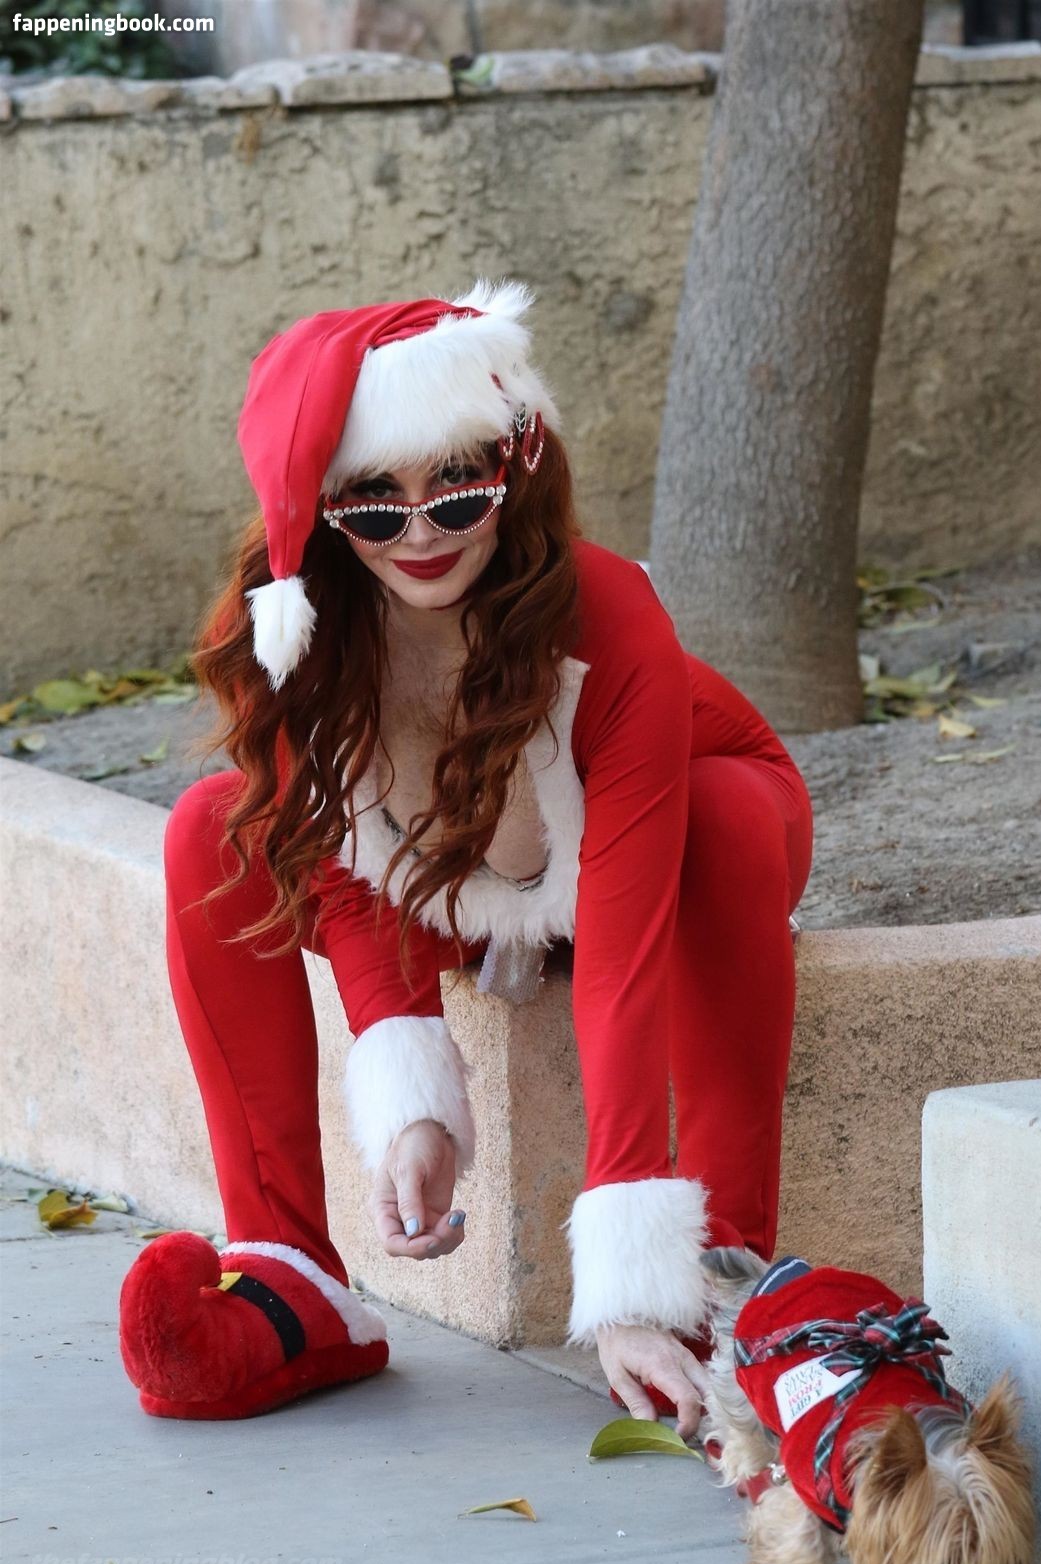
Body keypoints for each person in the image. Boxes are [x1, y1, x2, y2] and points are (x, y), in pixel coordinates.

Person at [117, 279, 814, 1439]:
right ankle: (291, 1281)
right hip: (456, 879)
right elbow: (345, 861)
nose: (422, 533)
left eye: (456, 486)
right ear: (322, 512)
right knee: (211, 830)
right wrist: (414, 1109)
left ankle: (720, 1288)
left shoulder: (607, 613)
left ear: (514, 456)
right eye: (373, 505)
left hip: (658, 860)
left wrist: (630, 1285)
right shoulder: (297, 627)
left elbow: (624, 944)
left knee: (728, 812)